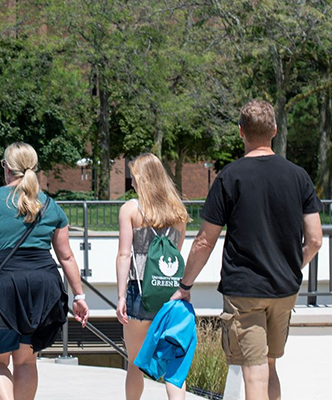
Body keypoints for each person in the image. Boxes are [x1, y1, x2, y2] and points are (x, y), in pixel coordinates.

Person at [171, 100, 323, 400]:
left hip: (245, 290)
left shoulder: (230, 177)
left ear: (241, 132)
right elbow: (315, 239)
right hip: (284, 289)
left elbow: (204, 241)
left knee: (253, 370)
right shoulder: (299, 176)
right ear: (275, 131)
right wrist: (292, 266)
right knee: (269, 366)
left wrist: (185, 284)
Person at [0, 142, 89, 400]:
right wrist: (79, 296)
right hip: (43, 286)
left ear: (6, 168)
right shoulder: (49, 205)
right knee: (26, 362)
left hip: (2, 287)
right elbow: (66, 256)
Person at [115, 153, 190, 400]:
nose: (131, 182)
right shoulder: (179, 213)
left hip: (139, 292)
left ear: (142, 178)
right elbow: (175, 258)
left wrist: (120, 297)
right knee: (175, 367)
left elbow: (124, 255)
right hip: (170, 295)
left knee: (135, 363)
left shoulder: (131, 209)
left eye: (134, 176)